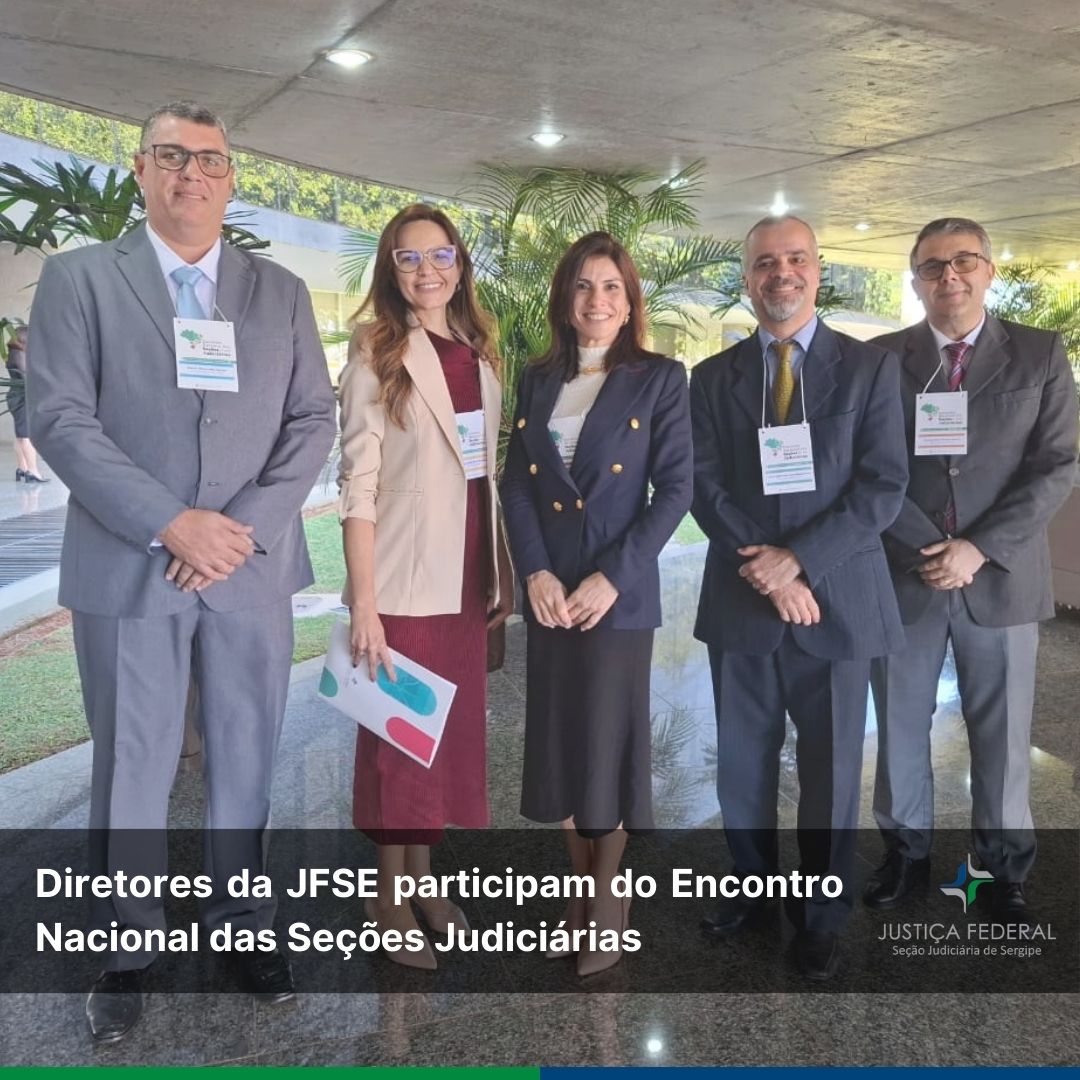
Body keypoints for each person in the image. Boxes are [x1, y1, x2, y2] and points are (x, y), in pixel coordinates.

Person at [27, 101, 336, 1041]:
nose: (191, 174)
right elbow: (61, 419)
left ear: (231, 176)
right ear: (141, 169)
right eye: (172, 157)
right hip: (131, 569)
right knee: (133, 761)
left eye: (209, 159)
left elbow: (313, 419)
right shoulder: (79, 280)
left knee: (248, 753)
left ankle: (242, 925)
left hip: (249, 567)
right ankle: (125, 946)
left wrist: (237, 529)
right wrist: (171, 523)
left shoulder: (278, 293)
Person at [690, 215, 908, 981]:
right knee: (741, 767)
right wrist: (767, 569)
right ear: (746, 277)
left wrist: (799, 563)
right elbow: (703, 486)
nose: (780, 274)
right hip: (745, 601)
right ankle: (752, 893)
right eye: (763, 263)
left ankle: (820, 916)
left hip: (836, 602)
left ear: (818, 272)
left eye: (795, 260)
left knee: (831, 772)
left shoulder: (870, 369)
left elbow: (882, 486)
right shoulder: (713, 378)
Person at [864, 217, 1079, 920]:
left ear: (989, 270)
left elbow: (1056, 465)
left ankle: (1002, 869)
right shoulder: (881, 360)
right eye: (932, 265)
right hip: (905, 575)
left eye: (964, 261)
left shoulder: (1040, 354)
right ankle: (906, 854)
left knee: (1003, 733)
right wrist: (929, 546)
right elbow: (866, 468)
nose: (948, 276)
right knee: (899, 722)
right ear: (915, 277)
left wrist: (977, 549)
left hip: (1003, 577)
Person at [500, 231, 692, 976]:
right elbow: (518, 485)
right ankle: (578, 887)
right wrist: (536, 575)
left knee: (607, 740)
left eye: (612, 287)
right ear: (565, 299)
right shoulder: (538, 377)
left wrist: (611, 577)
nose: (598, 301)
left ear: (630, 298)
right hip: (554, 593)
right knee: (560, 736)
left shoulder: (658, 377)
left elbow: (676, 489)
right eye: (583, 286)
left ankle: (609, 895)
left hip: (617, 592)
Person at [337, 204, 513, 970]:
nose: (427, 270)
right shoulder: (377, 350)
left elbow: (484, 474)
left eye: (439, 255)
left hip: (467, 575)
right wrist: (364, 601)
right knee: (397, 743)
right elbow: (357, 486)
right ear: (392, 271)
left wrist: (500, 567)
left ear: (460, 263)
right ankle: (386, 893)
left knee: (441, 740)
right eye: (408, 259)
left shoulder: (479, 352)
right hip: (404, 580)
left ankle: (422, 876)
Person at [5, 323, 49, 483]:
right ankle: (33, 471)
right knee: (26, 436)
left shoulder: (12, 353)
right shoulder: (21, 355)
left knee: (20, 435)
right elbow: (27, 379)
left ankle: (22, 468)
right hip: (23, 397)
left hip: (14, 396)